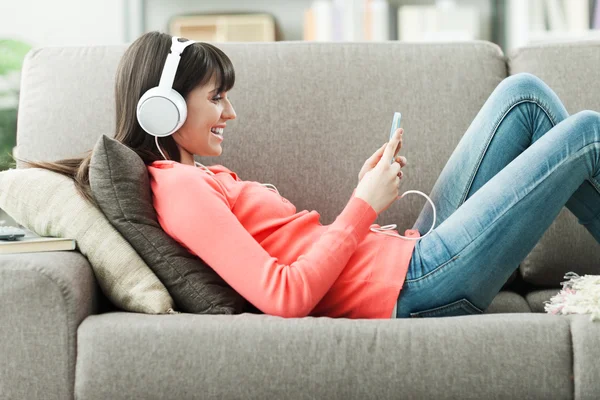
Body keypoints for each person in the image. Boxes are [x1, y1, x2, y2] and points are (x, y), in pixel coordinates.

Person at [22, 31, 600, 320]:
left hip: (406, 254)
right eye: (216, 98)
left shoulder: (200, 176)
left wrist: (365, 202)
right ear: (164, 110)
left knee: (522, 97)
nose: (229, 113)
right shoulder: (178, 190)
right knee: (586, 134)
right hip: (416, 285)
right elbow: (284, 295)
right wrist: (362, 204)